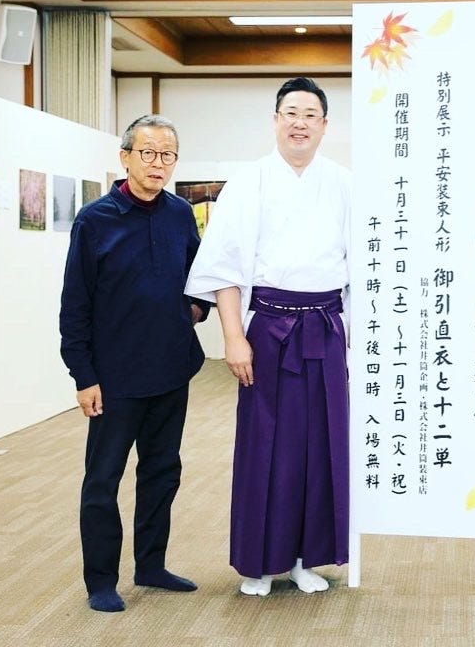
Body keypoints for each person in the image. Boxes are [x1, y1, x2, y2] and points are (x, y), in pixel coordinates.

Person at [185, 77, 350, 597]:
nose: (300, 123)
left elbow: (366, 269)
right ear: (276, 120)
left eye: (311, 115)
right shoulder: (248, 182)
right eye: (291, 113)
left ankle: (304, 557)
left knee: (320, 446)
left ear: (324, 125)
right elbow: (225, 268)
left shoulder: (345, 183)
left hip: (325, 326)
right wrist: (234, 338)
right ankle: (258, 561)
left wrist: (360, 340)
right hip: (269, 329)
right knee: (265, 445)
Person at [59, 115, 209, 613]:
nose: (158, 163)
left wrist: (198, 308)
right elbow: (74, 305)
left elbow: (198, 279)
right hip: (115, 379)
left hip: (170, 370)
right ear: (124, 157)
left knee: (162, 472)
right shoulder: (94, 220)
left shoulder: (179, 215)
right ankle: (101, 580)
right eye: (148, 153)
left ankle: (151, 564)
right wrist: (83, 375)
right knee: (103, 480)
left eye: (167, 154)